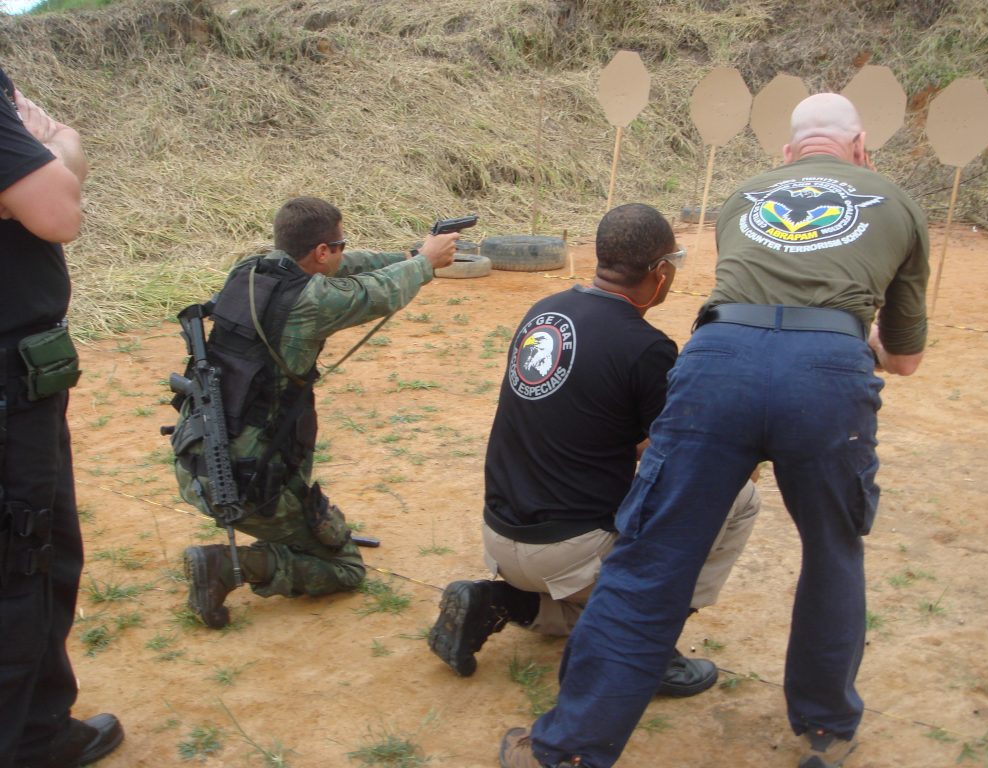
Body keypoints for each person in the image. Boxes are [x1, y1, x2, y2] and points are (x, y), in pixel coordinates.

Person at [498, 93, 929, 768]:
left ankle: (568, 749)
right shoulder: (898, 202)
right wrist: (854, 341)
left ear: (787, 153)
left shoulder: (744, 197)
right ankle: (826, 728)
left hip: (718, 364)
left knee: (650, 557)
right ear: (861, 148)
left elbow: (753, 298)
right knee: (833, 554)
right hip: (826, 374)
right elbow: (903, 359)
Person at [428, 203, 760, 698]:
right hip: (569, 551)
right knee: (738, 496)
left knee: (587, 601)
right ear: (660, 272)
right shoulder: (646, 346)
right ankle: (646, 649)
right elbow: (684, 459)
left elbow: (595, 422)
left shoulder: (544, 310)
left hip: (501, 533)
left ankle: (497, 602)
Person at [172, 196, 457, 629]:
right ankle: (228, 566)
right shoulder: (311, 300)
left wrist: (413, 254)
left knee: (309, 517)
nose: (343, 253)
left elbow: (352, 265)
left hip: (200, 457)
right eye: (338, 246)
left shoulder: (250, 271)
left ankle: (278, 539)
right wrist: (424, 264)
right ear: (321, 252)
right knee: (345, 567)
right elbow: (376, 292)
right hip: (246, 483)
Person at [0, 68, 124, 768]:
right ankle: (31, 742)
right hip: (10, 390)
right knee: (25, 560)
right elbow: (58, 208)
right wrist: (59, 142)